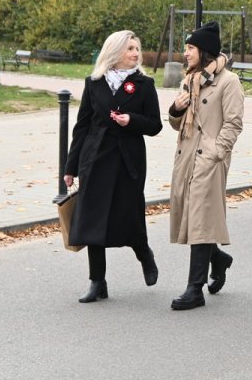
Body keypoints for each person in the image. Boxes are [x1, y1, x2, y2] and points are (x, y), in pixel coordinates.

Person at [64, 30, 163, 303]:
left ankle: (144, 253)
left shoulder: (144, 84)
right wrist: (70, 167)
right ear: (115, 51)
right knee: (92, 220)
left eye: (137, 48)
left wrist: (131, 120)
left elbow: (155, 125)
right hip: (94, 159)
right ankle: (97, 282)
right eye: (130, 48)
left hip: (127, 160)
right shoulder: (94, 83)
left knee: (129, 215)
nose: (135, 53)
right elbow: (82, 126)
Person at [167, 22, 244, 310]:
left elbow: (234, 123)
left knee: (199, 216)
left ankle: (194, 289)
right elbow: (177, 123)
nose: (185, 53)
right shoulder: (189, 80)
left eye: (190, 48)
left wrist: (217, 152)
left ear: (204, 51)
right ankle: (219, 260)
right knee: (192, 215)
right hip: (186, 156)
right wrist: (176, 108)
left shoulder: (229, 81)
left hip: (210, 158)